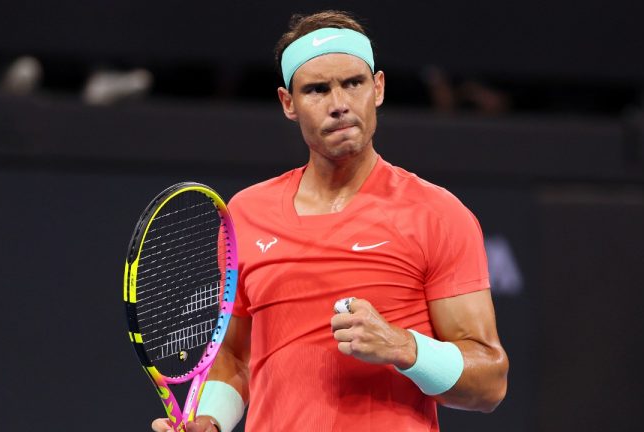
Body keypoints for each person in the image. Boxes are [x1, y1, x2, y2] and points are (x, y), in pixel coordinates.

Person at [152, 10, 508, 432]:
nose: (339, 104)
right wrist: (210, 421)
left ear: (377, 88)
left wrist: (404, 347)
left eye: (353, 83)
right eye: (317, 90)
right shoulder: (246, 214)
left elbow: (489, 384)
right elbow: (233, 356)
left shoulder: (438, 214)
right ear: (288, 103)